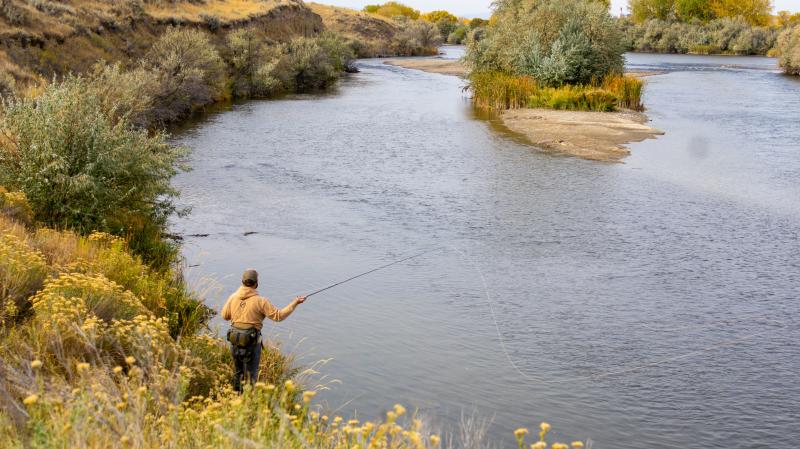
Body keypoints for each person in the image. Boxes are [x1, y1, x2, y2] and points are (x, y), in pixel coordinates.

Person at [222, 269, 306, 392]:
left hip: (234, 342)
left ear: (242, 282)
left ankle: (235, 399)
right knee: (250, 379)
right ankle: (247, 401)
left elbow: (225, 316)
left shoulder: (233, 297)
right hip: (251, 345)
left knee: (238, 374)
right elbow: (278, 316)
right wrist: (295, 302)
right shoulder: (261, 301)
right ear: (256, 283)